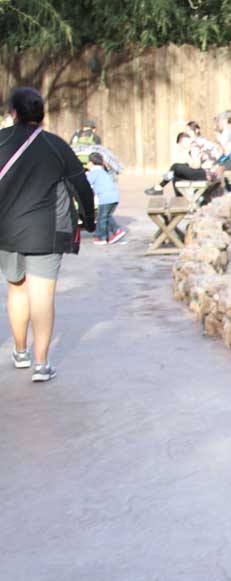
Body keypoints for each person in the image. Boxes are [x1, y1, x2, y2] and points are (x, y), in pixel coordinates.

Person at [0, 87, 95, 382]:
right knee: (42, 296)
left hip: (6, 230)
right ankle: (41, 364)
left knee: (16, 289)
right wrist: (89, 221)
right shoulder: (56, 145)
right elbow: (82, 185)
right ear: (41, 114)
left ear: (13, 113)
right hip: (45, 232)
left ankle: (20, 351)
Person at [144, 130, 221, 196]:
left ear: (181, 141)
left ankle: (160, 186)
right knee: (176, 173)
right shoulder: (200, 141)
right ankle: (178, 200)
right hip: (212, 172)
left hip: (208, 174)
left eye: (180, 146)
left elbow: (196, 165)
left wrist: (185, 152)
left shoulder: (194, 145)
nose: (180, 148)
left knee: (175, 167)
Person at [85, 152, 126, 245]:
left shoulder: (94, 172)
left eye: (88, 162)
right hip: (114, 197)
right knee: (106, 216)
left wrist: (86, 173)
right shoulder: (102, 171)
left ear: (91, 163)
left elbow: (86, 183)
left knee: (101, 218)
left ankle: (104, 236)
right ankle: (112, 233)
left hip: (106, 198)